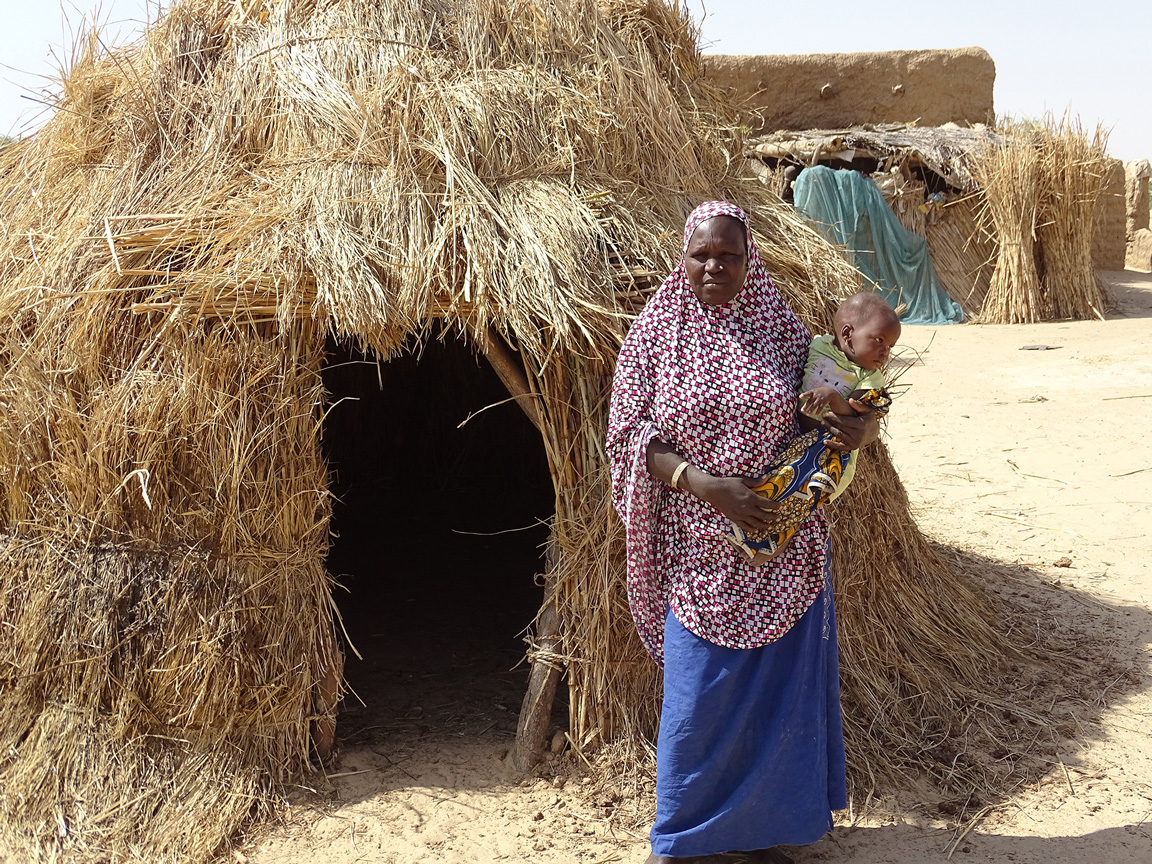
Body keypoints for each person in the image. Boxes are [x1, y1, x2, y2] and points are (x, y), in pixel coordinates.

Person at [606, 201, 879, 864]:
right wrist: (707, 487)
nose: (714, 267)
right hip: (696, 551)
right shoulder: (656, 333)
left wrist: (860, 427)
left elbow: (835, 403)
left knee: (779, 701)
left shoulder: (782, 330)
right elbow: (629, 439)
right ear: (683, 255)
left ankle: (766, 833)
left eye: (728, 254)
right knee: (698, 703)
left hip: (780, 548)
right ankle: (687, 841)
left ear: (747, 257)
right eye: (702, 254)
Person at [726, 292, 899, 561]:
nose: (885, 352)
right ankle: (749, 534)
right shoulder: (818, 345)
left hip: (831, 453)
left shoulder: (870, 378)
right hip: (802, 443)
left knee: (805, 493)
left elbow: (855, 414)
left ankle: (773, 545)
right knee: (780, 483)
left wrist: (832, 397)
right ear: (847, 333)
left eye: (890, 346)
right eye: (879, 340)